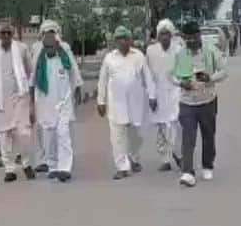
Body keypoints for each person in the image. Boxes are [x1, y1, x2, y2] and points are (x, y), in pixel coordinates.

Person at [96, 26, 156, 180]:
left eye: (126, 38)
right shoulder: (109, 58)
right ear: (116, 41)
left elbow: (147, 76)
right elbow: (102, 80)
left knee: (137, 135)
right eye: (120, 39)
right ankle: (122, 166)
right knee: (117, 135)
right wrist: (100, 101)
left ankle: (134, 157)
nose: (123, 42)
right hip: (116, 103)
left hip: (136, 102)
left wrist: (152, 95)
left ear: (130, 40)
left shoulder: (138, 56)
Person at [173, 20, 228, 187]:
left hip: (207, 101)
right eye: (186, 38)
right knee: (188, 138)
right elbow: (170, 75)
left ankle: (207, 164)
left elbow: (224, 71)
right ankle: (187, 172)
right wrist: (181, 83)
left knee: (208, 135)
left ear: (198, 36)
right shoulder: (180, 54)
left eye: (192, 37)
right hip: (187, 103)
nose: (189, 41)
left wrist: (210, 78)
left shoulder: (211, 51)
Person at [30, 21, 80, 182]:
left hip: (63, 101)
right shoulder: (38, 51)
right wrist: (31, 104)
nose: (50, 46)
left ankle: (65, 167)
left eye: (53, 34)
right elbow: (31, 81)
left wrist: (77, 90)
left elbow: (73, 71)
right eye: (47, 43)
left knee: (64, 134)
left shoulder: (64, 51)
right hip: (45, 102)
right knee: (48, 135)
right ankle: (52, 166)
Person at [0, 23, 34, 183]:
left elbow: (28, 70)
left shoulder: (21, 48)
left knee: (24, 133)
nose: (6, 36)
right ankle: (9, 169)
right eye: (3, 33)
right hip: (0, 99)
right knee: (4, 135)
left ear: (13, 34)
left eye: (9, 33)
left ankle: (27, 164)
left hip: (20, 97)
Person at [146, 19, 183, 171]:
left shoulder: (179, 49)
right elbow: (148, 75)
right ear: (158, 35)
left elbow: (183, 71)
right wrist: (151, 95)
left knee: (175, 125)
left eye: (167, 34)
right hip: (158, 93)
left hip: (175, 92)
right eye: (162, 34)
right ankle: (165, 159)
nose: (165, 37)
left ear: (172, 34)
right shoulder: (151, 51)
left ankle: (177, 153)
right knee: (161, 128)